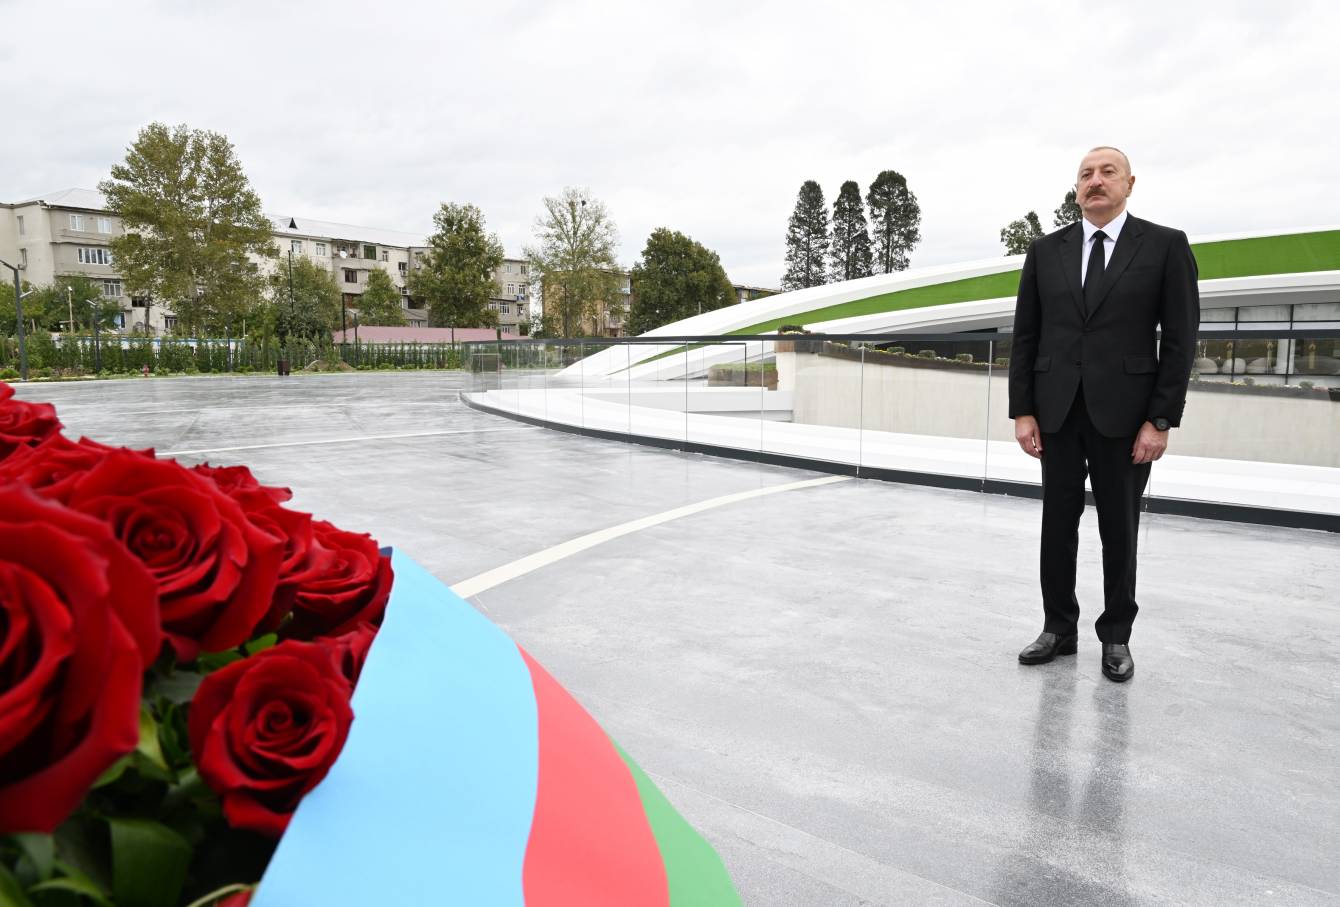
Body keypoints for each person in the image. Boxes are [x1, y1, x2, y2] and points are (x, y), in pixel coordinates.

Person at [1008, 146, 1199, 682]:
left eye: (1107, 172)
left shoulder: (1164, 246)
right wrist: (1023, 411)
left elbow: (1180, 340)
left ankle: (1116, 636)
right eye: (1085, 174)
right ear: (1077, 189)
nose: (1095, 181)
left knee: (1120, 530)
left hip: (1128, 418)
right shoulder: (1046, 251)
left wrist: (1160, 419)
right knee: (1056, 527)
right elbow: (1026, 336)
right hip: (1057, 414)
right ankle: (1058, 627)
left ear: (1129, 184)